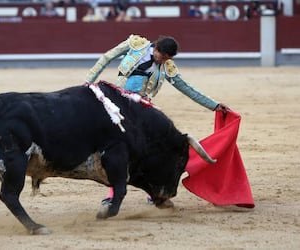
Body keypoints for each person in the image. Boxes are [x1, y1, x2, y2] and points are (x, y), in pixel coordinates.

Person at [85, 34, 229, 205]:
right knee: (118, 152)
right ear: (156, 49)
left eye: (168, 59)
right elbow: (107, 57)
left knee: (151, 151)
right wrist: (88, 83)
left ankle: (153, 194)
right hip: (118, 105)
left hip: (142, 111)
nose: (163, 62)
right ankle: (112, 195)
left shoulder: (167, 67)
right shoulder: (136, 45)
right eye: (162, 57)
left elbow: (187, 89)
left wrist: (213, 105)